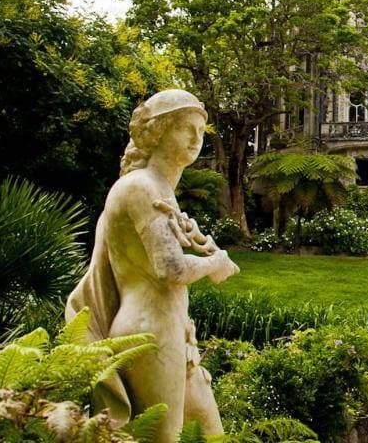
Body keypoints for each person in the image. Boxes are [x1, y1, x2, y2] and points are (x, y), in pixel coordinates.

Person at [65, 89, 240, 442]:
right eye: (185, 128)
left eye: (200, 131)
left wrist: (202, 245)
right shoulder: (141, 187)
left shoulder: (161, 190)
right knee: (162, 437)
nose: (195, 139)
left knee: (210, 431)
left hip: (174, 331)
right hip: (150, 333)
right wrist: (215, 263)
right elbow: (170, 270)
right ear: (158, 131)